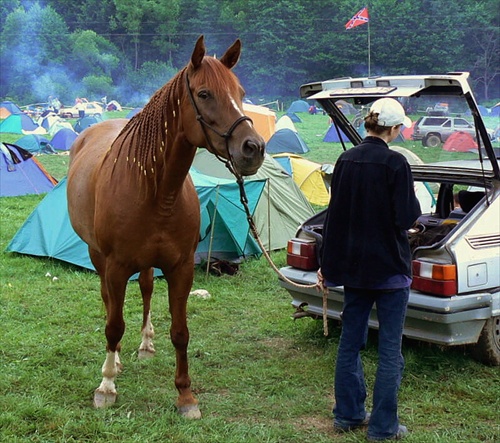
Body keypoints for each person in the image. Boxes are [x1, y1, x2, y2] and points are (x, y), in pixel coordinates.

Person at [317, 98, 421, 441]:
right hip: (390, 271)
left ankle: (347, 415)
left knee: (350, 343)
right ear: (393, 129)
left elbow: (335, 216)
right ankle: (382, 427)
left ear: (368, 124)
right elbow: (407, 217)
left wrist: (326, 265)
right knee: (390, 349)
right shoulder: (396, 163)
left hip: (354, 269)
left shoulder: (345, 160)